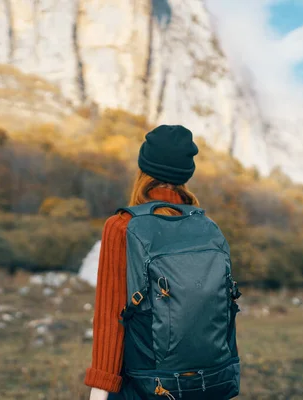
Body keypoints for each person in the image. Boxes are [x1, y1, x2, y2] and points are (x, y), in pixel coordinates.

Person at [85, 125, 240, 399]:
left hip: (145, 385)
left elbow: (111, 318)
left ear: (143, 169)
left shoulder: (123, 226)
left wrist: (99, 391)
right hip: (209, 382)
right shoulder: (208, 227)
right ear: (185, 174)